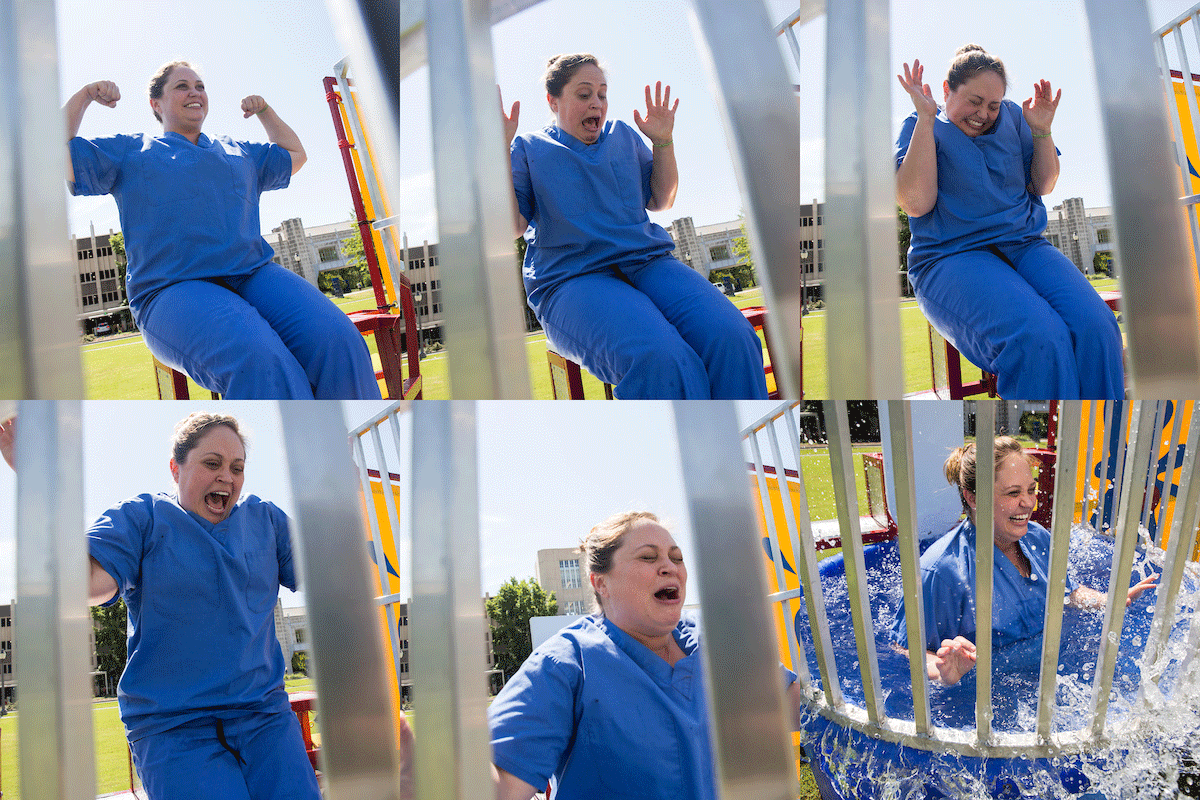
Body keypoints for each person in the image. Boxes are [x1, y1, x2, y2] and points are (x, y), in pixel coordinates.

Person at [64, 62, 381, 400]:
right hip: (172, 287)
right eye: (182, 86)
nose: (194, 92)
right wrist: (84, 97)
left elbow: (295, 155)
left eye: (200, 85)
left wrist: (265, 111)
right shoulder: (131, 151)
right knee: (258, 359)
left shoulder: (238, 151)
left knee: (340, 341)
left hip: (252, 274)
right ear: (156, 104)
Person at [502, 54, 768, 400]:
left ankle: (737, 449)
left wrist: (663, 142)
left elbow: (661, 199)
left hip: (647, 263)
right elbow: (511, 226)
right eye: (584, 95)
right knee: (660, 359)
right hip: (572, 279)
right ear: (553, 101)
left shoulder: (622, 136)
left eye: (602, 94)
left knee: (732, 336)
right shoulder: (527, 149)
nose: (596, 104)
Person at [895, 45, 1124, 400]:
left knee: (1098, 327)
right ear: (946, 90)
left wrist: (1042, 131)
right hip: (951, 255)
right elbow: (916, 203)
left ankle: (1105, 440)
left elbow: (1044, 184)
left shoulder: (1017, 119)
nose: (983, 114)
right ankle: (1052, 439)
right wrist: (926, 119)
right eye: (974, 100)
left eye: (993, 104)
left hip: (1024, 245)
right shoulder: (921, 125)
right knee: (1037, 338)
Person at [891, 437, 1157, 686]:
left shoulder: (1037, 537)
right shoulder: (941, 570)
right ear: (973, 498)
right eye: (1012, 493)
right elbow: (906, 648)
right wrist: (944, 672)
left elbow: (1067, 592)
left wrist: (1108, 600)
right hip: (992, 692)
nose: (1028, 503)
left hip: (1055, 673)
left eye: (1031, 490)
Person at [488, 511, 718, 800]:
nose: (669, 567)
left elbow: (786, 703)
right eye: (648, 557)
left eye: (677, 557)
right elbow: (501, 784)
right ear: (601, 584)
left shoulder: (715, 641)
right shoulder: (566, 663)